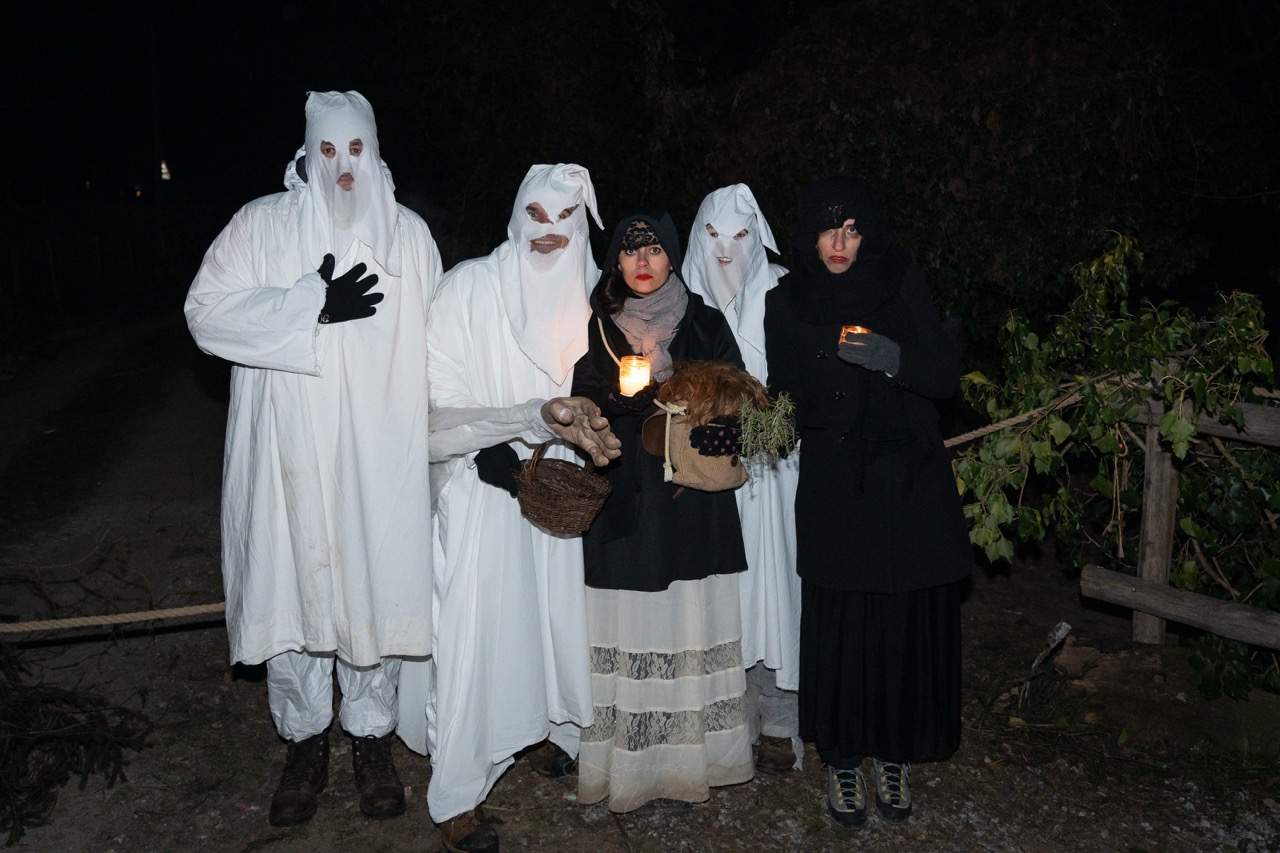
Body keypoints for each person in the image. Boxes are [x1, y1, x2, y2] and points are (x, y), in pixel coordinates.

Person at [184, 90, 441, 826]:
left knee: (369, 585)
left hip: (375, 450)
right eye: (328, 150)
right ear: (307, 150)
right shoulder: (261, 226)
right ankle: (304, 741)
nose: (343, 167)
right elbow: (205, 311)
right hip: (286, 449)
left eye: (356, 149)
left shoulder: (408, 238)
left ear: (375, 149)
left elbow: (439, 342)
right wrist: (308, 306)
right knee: (293, 587)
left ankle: (370, 737)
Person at [394, 164, 621, 853]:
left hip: (553, 492)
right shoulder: (468, 289)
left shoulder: (593, 302)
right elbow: (430, 406)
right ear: (516, 213)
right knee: (477, 631)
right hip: (479, 489)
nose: (548, 233)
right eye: (536, 215)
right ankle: (458, 789)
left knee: (549, 617)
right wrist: (494, 439)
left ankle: (544, 729)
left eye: (565, 218)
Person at [762, 175, 971, 829]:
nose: (839, 243)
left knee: (900, 624)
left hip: (907, 479)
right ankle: (845, 761)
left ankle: (894, 754)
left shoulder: (900, 281)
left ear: (868, 234)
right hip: (836, 486)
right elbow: (784, 398)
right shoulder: (786, 301)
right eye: (828, 229)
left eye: (851, 229)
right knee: (843, 627)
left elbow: (944, 377)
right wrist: (749, 430)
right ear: (808, 235)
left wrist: (891, 358)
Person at [570, 210, 755, 814]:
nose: (643, 260)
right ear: (616, 262)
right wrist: (617, 402)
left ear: (672, 255)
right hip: (626, 504)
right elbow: (579, 401)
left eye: (653, 248)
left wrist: (721, 424)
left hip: (691, 508)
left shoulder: (704, 322)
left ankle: (685, 765)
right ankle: (629, 766)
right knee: (630, 629)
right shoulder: (598, 328)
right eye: (630, 250)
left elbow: (740, 397)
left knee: (686, 625)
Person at [682, 185, 804, 776]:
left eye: (740, 236)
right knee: (717, 593)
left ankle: (780, 718)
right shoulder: (678, 297)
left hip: (772, 474)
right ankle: (725, 723)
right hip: (701, 474)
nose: (725, 251)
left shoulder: (784, 293)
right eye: (713, 236)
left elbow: (802, 377)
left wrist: (768, 427)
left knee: (771, 590)